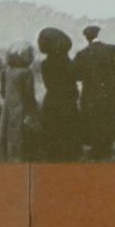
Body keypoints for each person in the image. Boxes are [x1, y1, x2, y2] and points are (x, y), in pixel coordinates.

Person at [71, 24, 115, 159]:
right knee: (109, 115)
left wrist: (85, 77)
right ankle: (107, 146)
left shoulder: (82, 54)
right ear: (97, 35)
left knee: (94, 118)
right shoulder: (112, 50)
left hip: (91, 92)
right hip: (112, 91)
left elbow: (75, 74)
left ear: (87, 38)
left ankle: (97, 148)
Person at [36, 27, 82, 162]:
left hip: (52, 101)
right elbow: (73, 80)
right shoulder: (67, 62)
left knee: (53, 136)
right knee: (68, 135)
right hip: (67, 102)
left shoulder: (45, 64)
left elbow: (48, 84)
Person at [0, 41, 39, 161]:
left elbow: (3, 91)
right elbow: (29, 94)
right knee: (19, 135)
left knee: (6, 134)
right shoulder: (26, 72)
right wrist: (33, 110)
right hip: (21, 107)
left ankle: (6, 158)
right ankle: (17, 158)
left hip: (8, 106)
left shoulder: (7, 72)